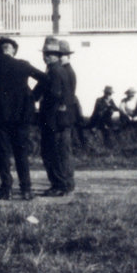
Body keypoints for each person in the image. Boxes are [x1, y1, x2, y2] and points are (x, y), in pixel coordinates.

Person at [0, 36, 46, 199]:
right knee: (21, 154)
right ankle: (26, 189)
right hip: (21, 117)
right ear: (13, 50)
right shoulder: (23, 64)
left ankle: (6, 189)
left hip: (0, 117)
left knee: (3, 154)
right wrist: (32, 96)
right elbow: (45, 78)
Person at [35, 37, 77, 196]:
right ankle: (63, 184)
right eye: (46, 53)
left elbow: (54, 94)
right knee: (58, 152)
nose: (45, 57)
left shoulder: (54, 71)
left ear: (54, 55)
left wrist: (41, 103)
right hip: (59, 120)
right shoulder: (60, 70)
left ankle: (60, 185)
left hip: (54, 121)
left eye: (49, 54)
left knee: (53, 153)